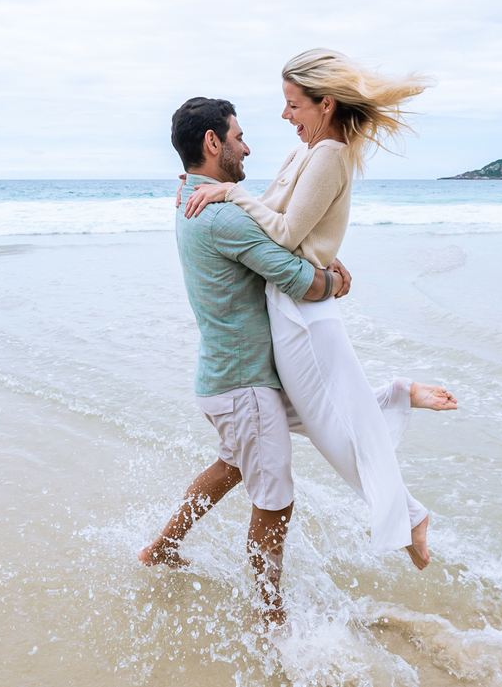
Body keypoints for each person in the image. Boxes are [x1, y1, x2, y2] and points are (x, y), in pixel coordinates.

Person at [180, 49, 457, 570]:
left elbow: (279, 232)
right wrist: (213, 192)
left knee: (330, 425)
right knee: (326, 416)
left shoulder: (329, 154)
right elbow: (277, 221)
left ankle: (408, 513)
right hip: (295, 311)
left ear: (324, 105)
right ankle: (398, 404)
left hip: (302, 317)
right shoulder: (307, 153)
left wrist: (229, 194)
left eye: (292, 105)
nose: (285, 116)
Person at [138, 97, 346, 628]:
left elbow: (278, 242)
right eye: (237, 136)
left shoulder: (189, 196)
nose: (246, 145)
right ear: (212, 143)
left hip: (223, 378)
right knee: (275, 501)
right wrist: (336, 281)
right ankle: (270, 617)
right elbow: (299, 278)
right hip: (245, 385)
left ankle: (161, 548)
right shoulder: (221, 216)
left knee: (232, 466)